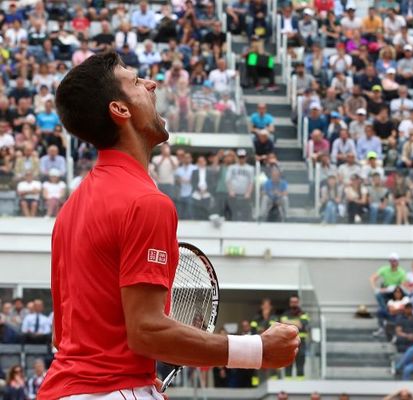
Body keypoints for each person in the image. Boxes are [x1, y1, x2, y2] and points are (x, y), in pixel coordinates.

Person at [38, 52, 298, 398]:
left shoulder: (70, 210)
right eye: (135, 81)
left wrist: (136, 378)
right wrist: (258, 350)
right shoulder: (146, 202)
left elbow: (64, 336)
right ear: (120, 110)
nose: (151, 83)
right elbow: (146, 331)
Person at [280, 295, 309, 378]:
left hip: (301, 342)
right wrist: (295, 322)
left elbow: (300, 325)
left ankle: (301, 385)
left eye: (295, 302)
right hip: (288, 342)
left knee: (300, 363)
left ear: (298, 302)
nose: (294, 304)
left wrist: (288, 321)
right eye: (292, 302)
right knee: (288, 363)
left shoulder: (304, 314)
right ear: (290, 303)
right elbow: (283, 323)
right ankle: (287, 386)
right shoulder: (285, 314)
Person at [226, 149, 255, 221]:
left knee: (246, 213)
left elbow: (251, 182)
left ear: (246, 157)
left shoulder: (250, 168)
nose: (242, 159)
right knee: (233, 213)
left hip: (245, 196)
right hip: (234, 195)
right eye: (240, 157)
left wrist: (248, 193)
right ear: (237, 157)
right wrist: (231, 191)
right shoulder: (231, 167)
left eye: (243, 157)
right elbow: (228, 180)